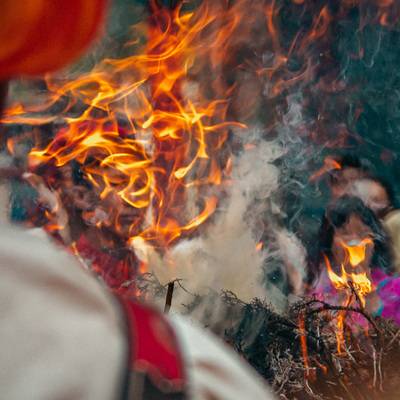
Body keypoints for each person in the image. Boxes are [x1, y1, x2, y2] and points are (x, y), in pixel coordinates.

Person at [0, 1, 275, 399]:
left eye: (140, 179)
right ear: (77, 192)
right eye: (119, 179)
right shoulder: (50, 279)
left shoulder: (160, 269)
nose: (138, 196)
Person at [307, 196, 400, 325]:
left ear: (374, 243)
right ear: (330, 242)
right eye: (345, 233)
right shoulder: (318, 297)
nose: (355, 242)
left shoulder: (396, 289)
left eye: (362, 233)